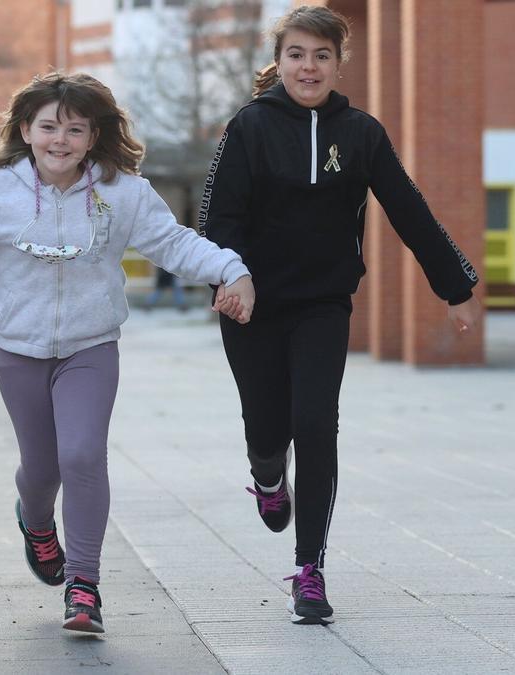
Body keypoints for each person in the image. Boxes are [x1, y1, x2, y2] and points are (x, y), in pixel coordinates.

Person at [0, 71, 256, 634]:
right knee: (42, 467)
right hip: (19, 350)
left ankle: (84, 586)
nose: (61, 140)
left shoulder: (123, 192)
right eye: (49, 127)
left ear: (93, 136)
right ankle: (35, 522)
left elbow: (174, 242)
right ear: (25, 130)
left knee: (82, 455)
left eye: (75, 129)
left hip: (91, 347)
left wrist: (231, 269)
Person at [198, 6, 481, 625]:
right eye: (297, 54)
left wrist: (455, 284)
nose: (309, 66)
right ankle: (269, 478)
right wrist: (225, 276)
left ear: (337, 63)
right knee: (267, 429)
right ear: (280, 61)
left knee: (315, 422)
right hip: (252, 304)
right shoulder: (247, 127)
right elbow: (216, 217)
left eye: (322, 56)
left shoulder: (361, 133)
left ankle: (309, 571)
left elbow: (409, 209)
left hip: (325, 305)